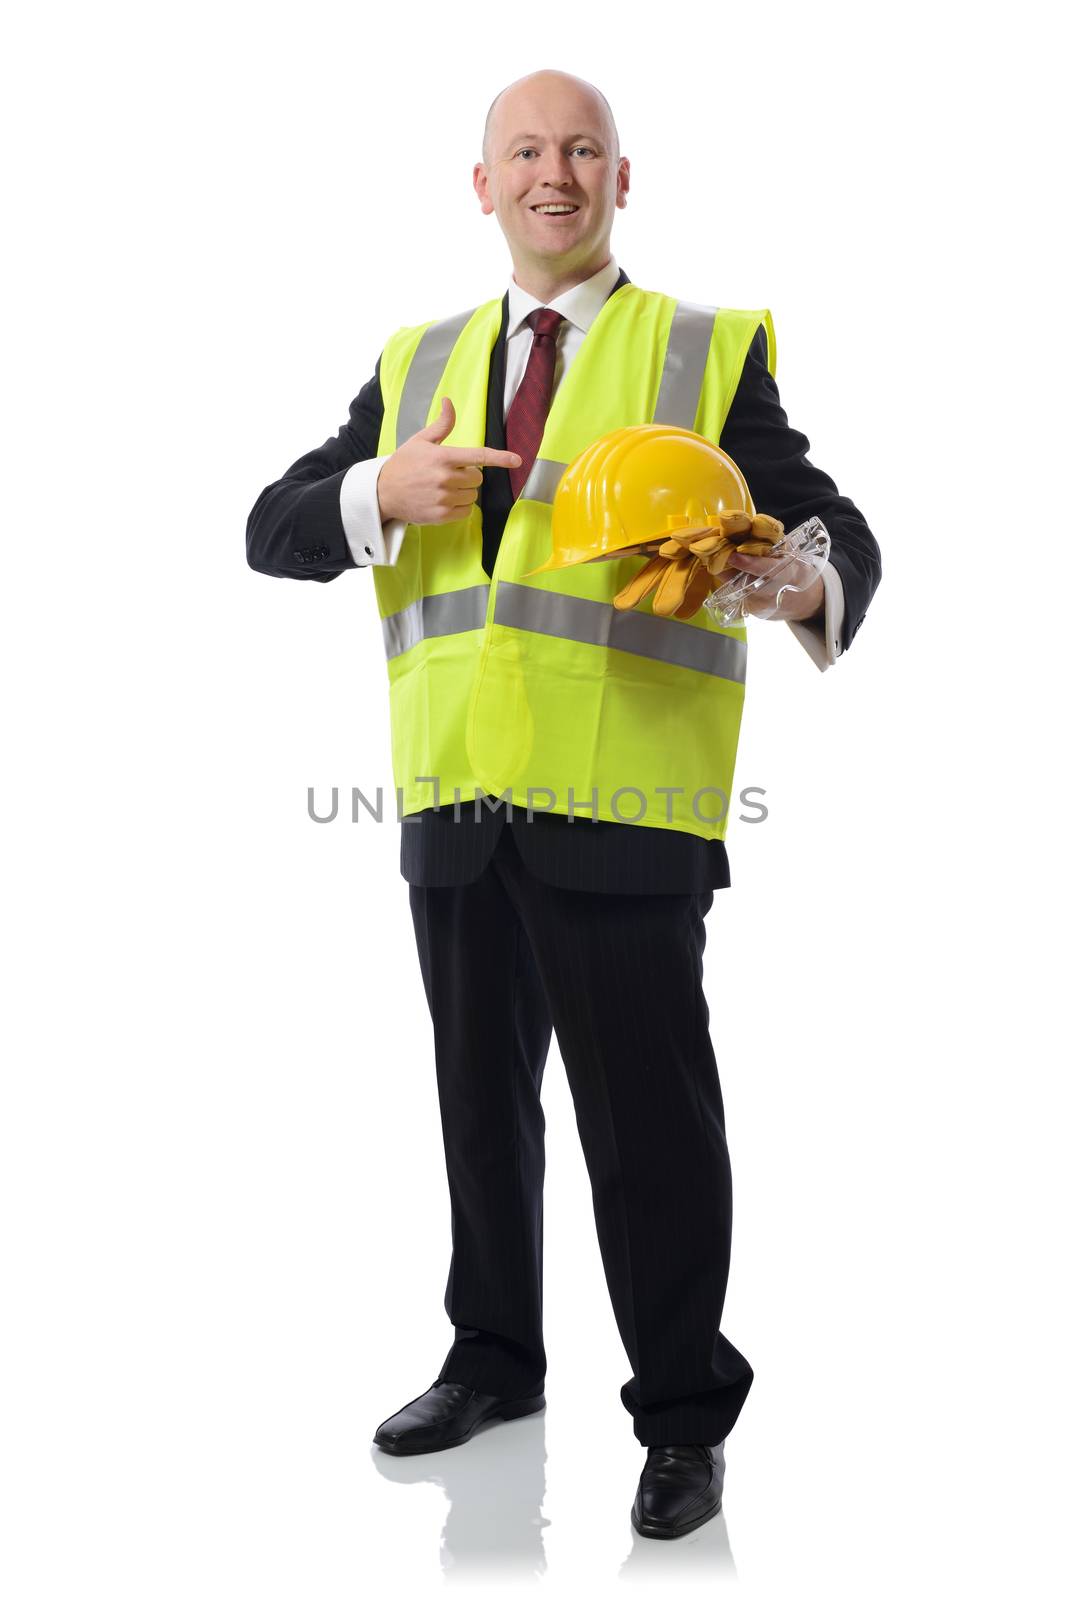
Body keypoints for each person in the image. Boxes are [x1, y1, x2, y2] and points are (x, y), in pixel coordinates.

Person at [246, 67, 881, 1540]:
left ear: (619, 179)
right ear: (483, 186)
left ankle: (680, 1414)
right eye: (524, 152)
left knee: (647, 1126)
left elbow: (825, 520)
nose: (553, 173)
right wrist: (373, 495)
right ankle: (494, 1363)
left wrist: (802, 577)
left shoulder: (700, 353)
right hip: (457, 802)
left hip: (626, 806)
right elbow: (272, 528)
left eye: (580, 150)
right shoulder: (416, 364)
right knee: (481, 1113)